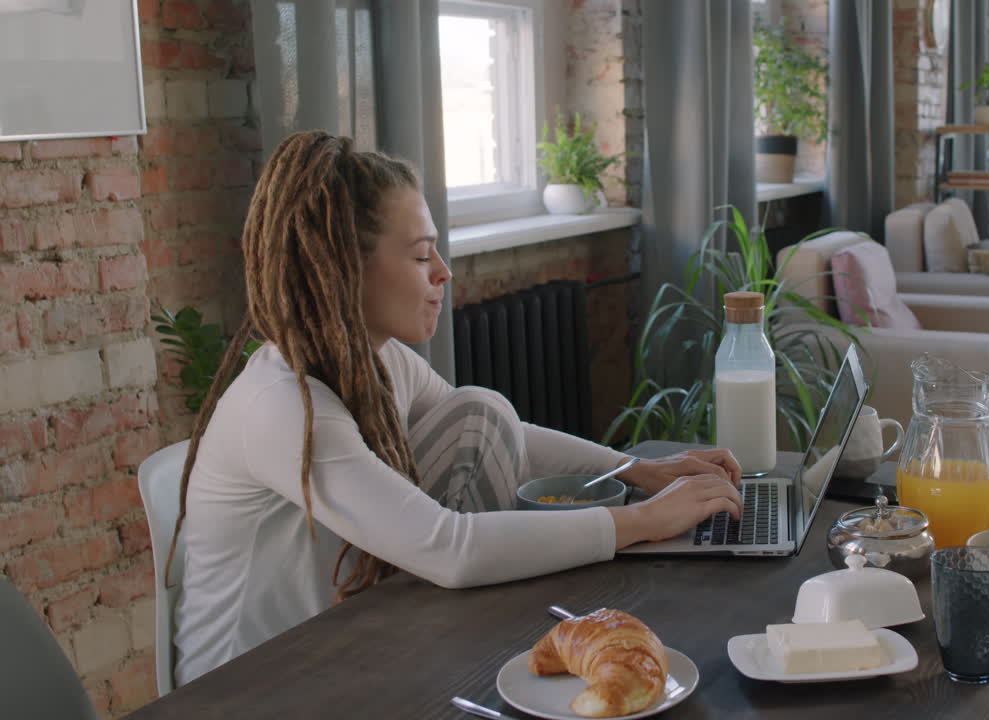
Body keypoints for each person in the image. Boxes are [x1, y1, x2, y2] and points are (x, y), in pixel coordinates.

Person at [170, 130, 744, 685]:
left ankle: (488, 659)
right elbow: (448, 547)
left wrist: (639, 470)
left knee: (481, 412)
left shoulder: (378, 360)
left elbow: (505, 435)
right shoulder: (282, 404)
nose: (444, 271)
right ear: (348, 267)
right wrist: (644, 520)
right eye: (422, 256)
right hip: (250, 688)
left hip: (337, 646)